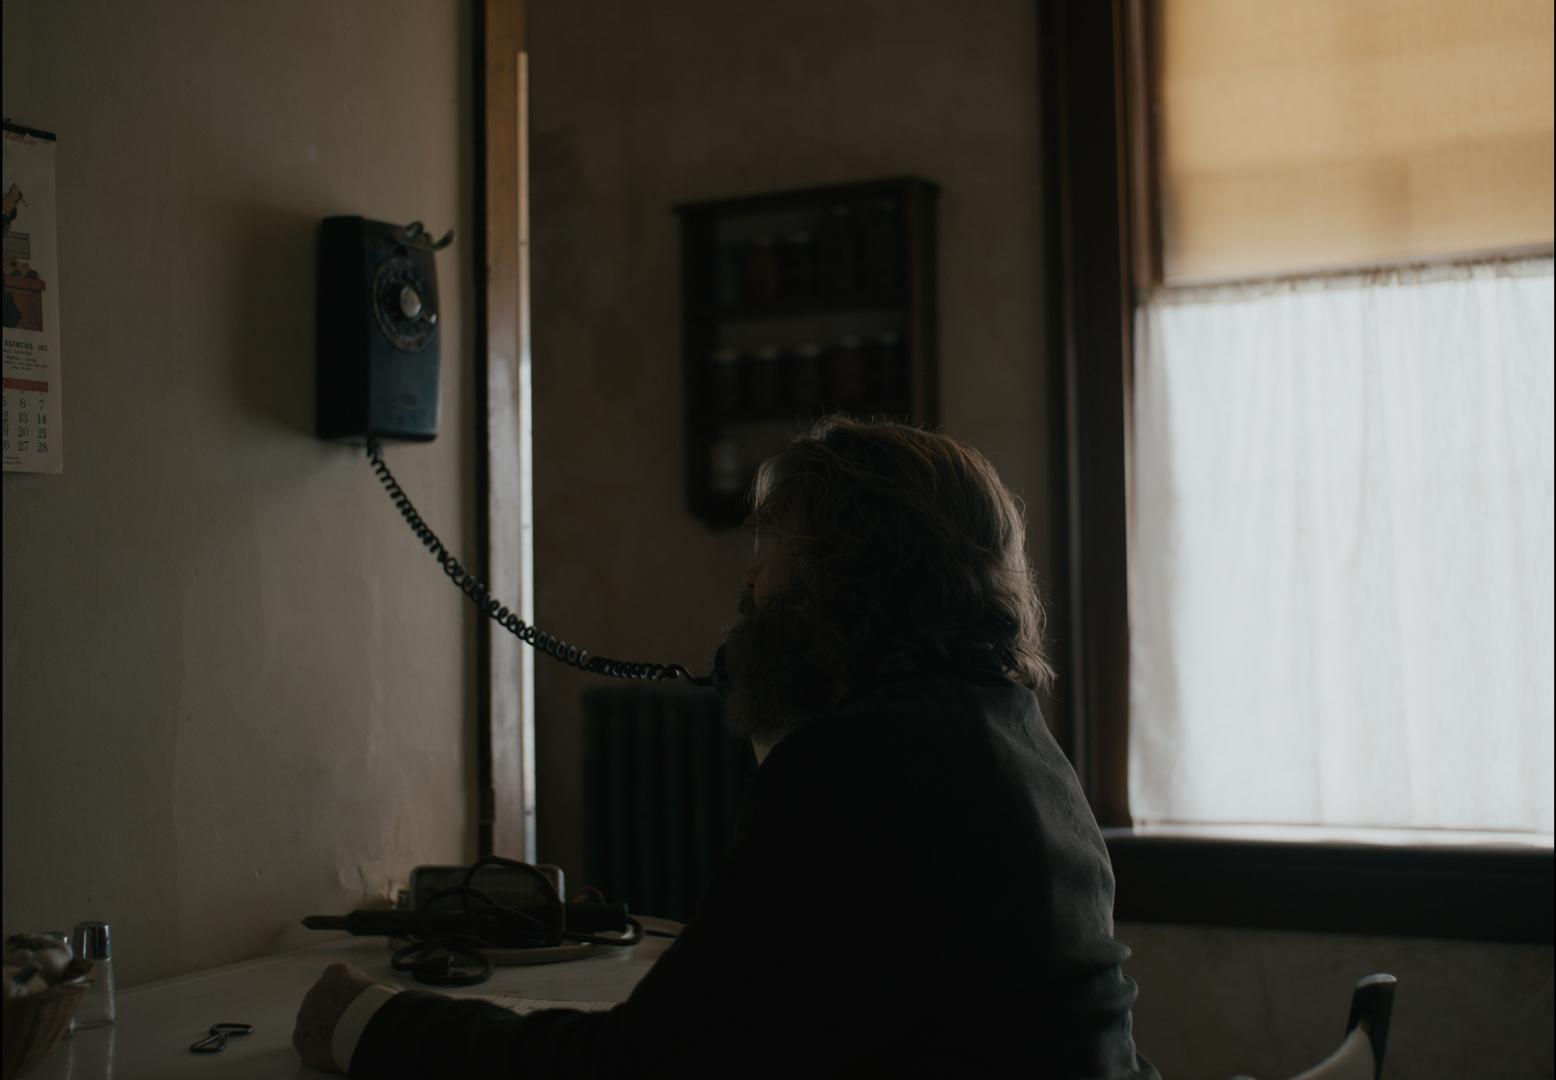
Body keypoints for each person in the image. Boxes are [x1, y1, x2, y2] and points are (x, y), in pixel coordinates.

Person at [293, 416, 1158, 1078]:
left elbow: (647, 1067)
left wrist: (366, 1022)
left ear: (845, 579)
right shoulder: (1006, 731)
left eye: (773, 553)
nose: (750, 584)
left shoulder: (867, 761)